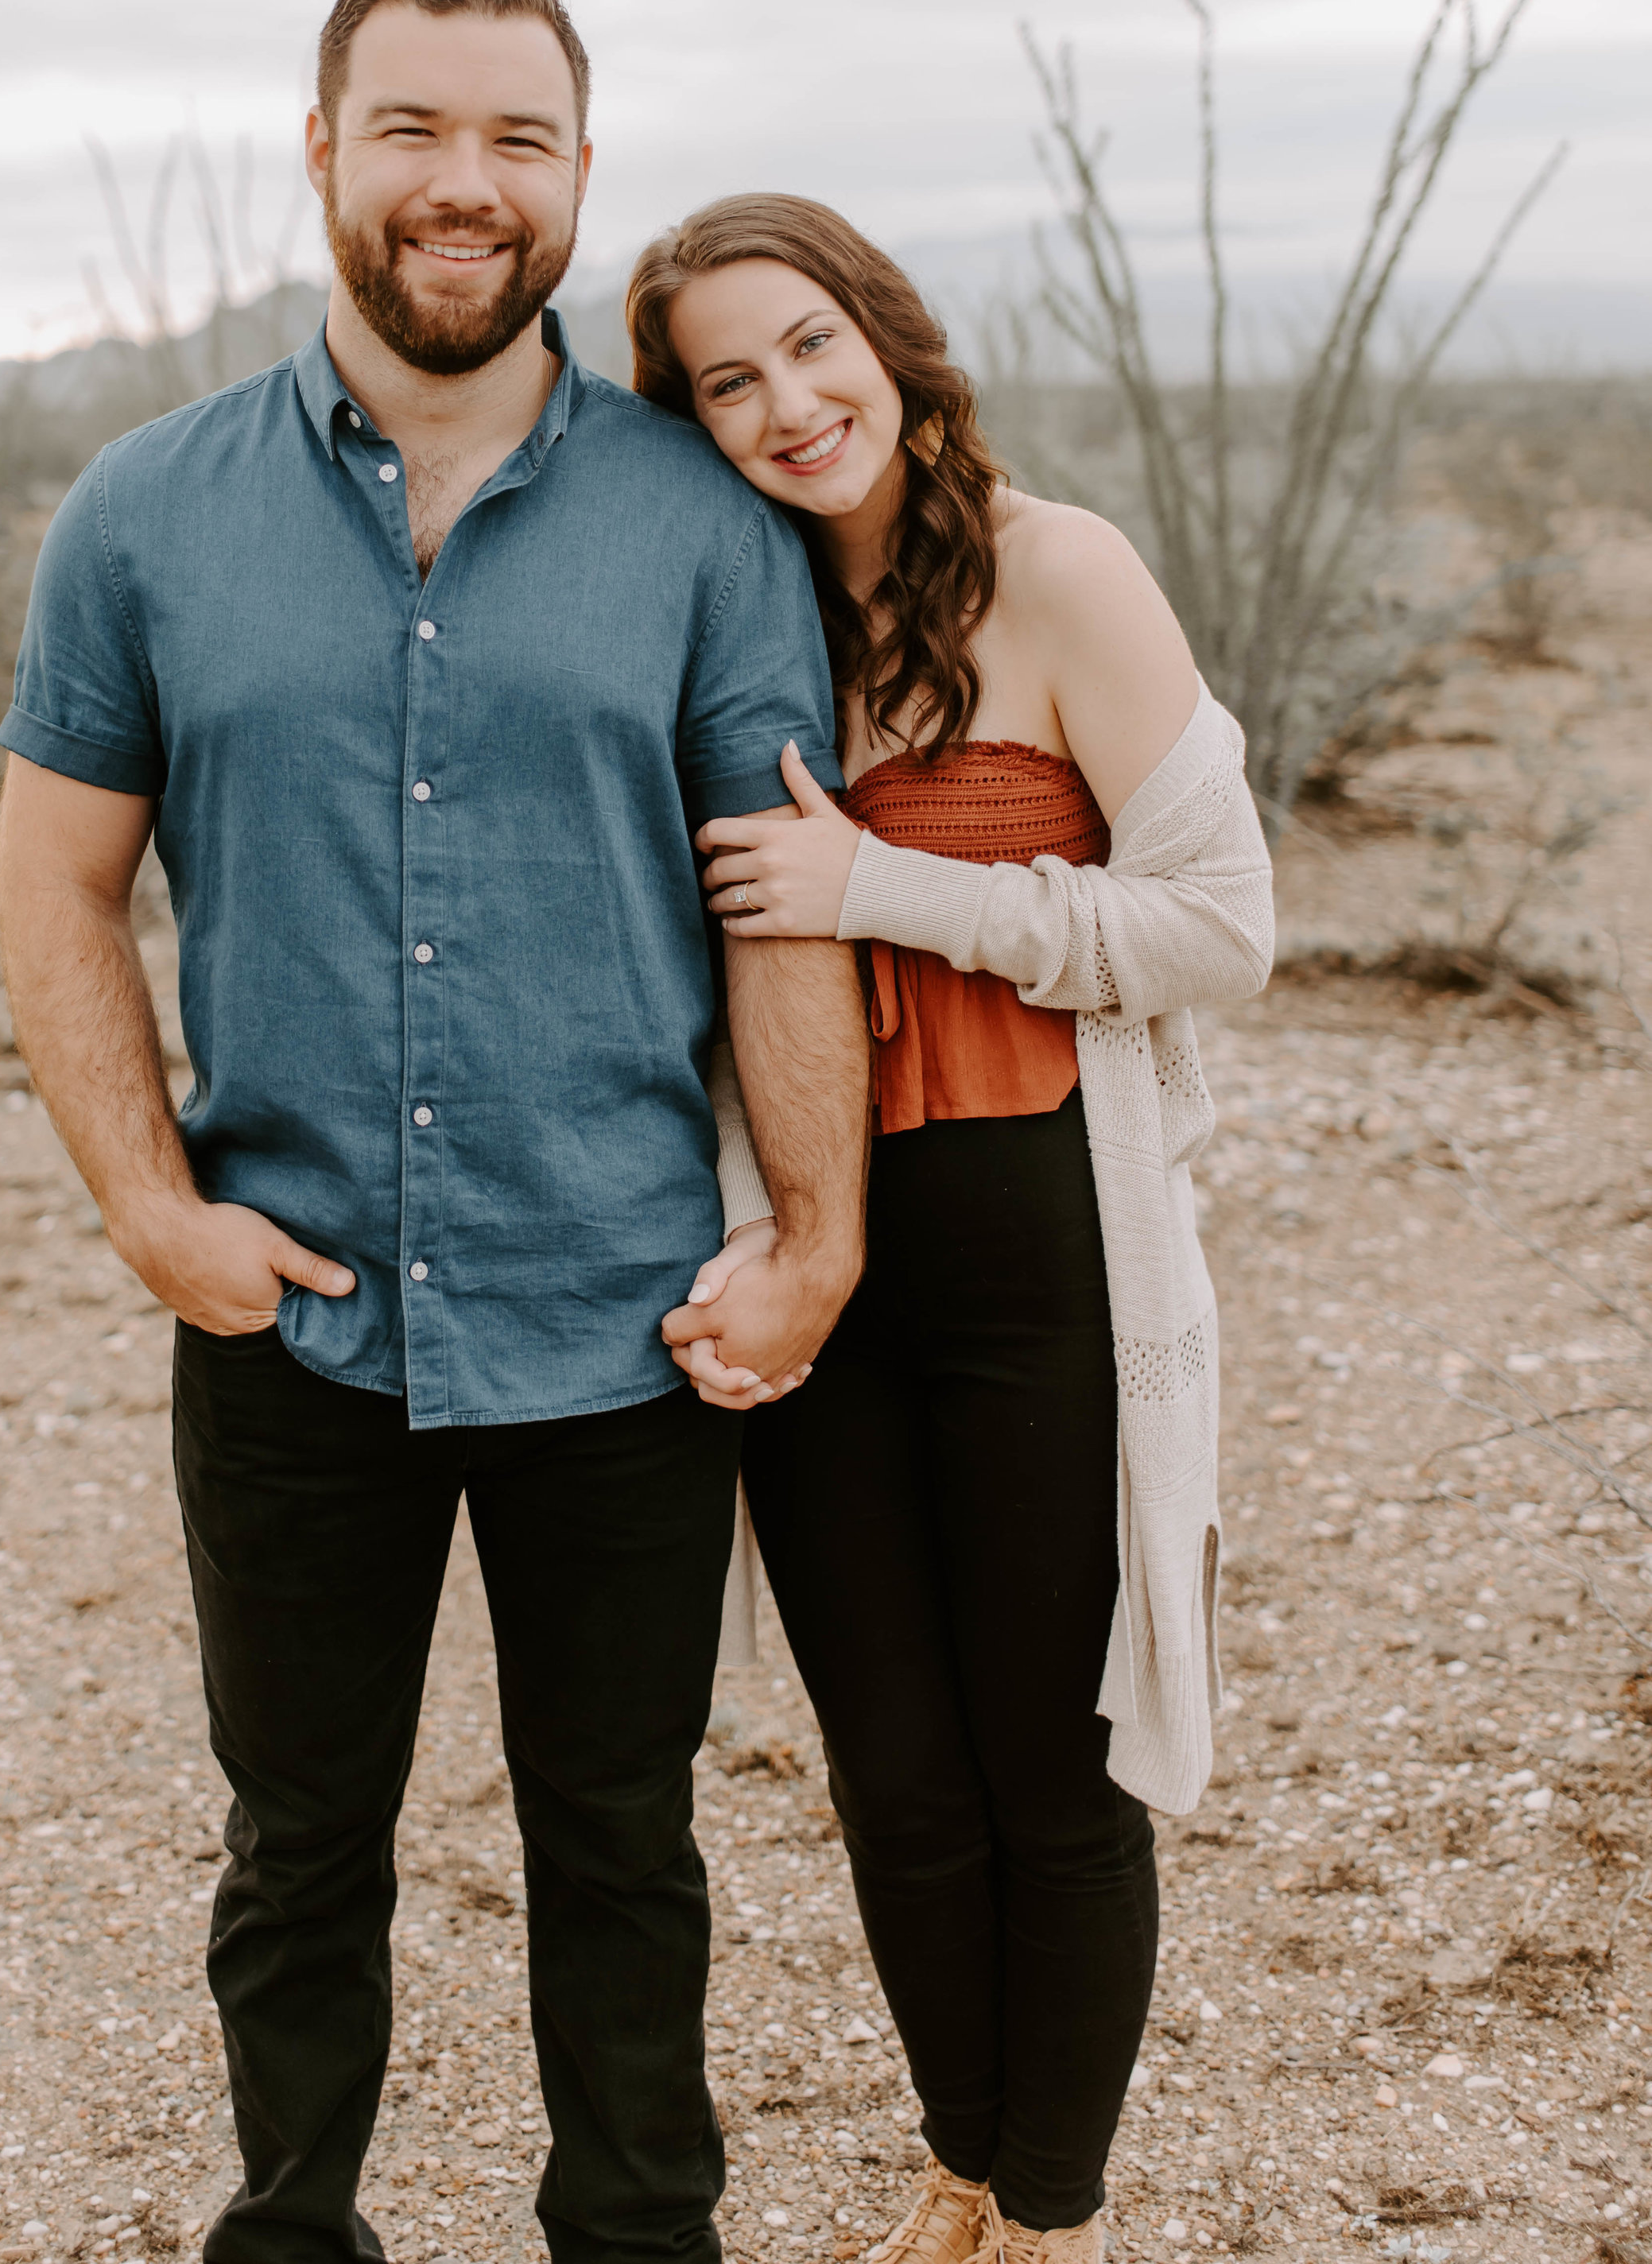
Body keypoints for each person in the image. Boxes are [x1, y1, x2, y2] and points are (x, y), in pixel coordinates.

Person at [0, 0, 872, 2264]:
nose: (460, 185)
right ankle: (294, 2225)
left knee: (618, 1831)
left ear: (577, 174)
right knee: (298, 1835)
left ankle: (635, 2234)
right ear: (323, 149)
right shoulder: (144, 510)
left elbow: (781, 909)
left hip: (616, 1313)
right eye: (411, 128)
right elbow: (55, 887)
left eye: (515, 137)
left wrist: (813, 1229)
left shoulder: (702, 523)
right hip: (286, 1312)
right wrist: (149, 1209)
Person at [636, 196, 1275, 2264]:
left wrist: (883, 889)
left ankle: (1055, 2214)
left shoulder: (1055, 570)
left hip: (1046, 1270)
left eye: (809, 344)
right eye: (723, 379)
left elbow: (1222, 925)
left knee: (1049, 1770)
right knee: (891, 1776)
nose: (784, 402)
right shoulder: (724, 619)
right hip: (821, 1260)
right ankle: (963, 2161)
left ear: (891, 344)